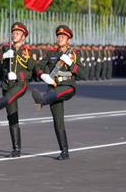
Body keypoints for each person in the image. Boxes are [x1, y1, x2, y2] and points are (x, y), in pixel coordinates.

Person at [32, 25, 86, 160]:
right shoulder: (51, 53)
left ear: (68, 39)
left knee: (53, 95)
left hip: (67, 86)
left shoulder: (74, 54)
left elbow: (84, 74)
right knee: (58, 120)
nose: (60, 38)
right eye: (58, 36)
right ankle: (64, 151)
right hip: (53, 87)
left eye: (63, 36)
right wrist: (42, 75)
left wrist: (72, 65)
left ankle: (42, 100)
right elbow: (38, 66)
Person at [0, 22, 37, 158]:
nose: (15, 35)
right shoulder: (6, 49)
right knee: (12, 115)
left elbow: (32, 72)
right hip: (7, 84)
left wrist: (19, 75)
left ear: (23, 36)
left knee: (10, 98)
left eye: (18, 33)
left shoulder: (29, 52)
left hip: (19, 84)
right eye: (13, 33)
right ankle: (16, 148)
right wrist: (3, 56)